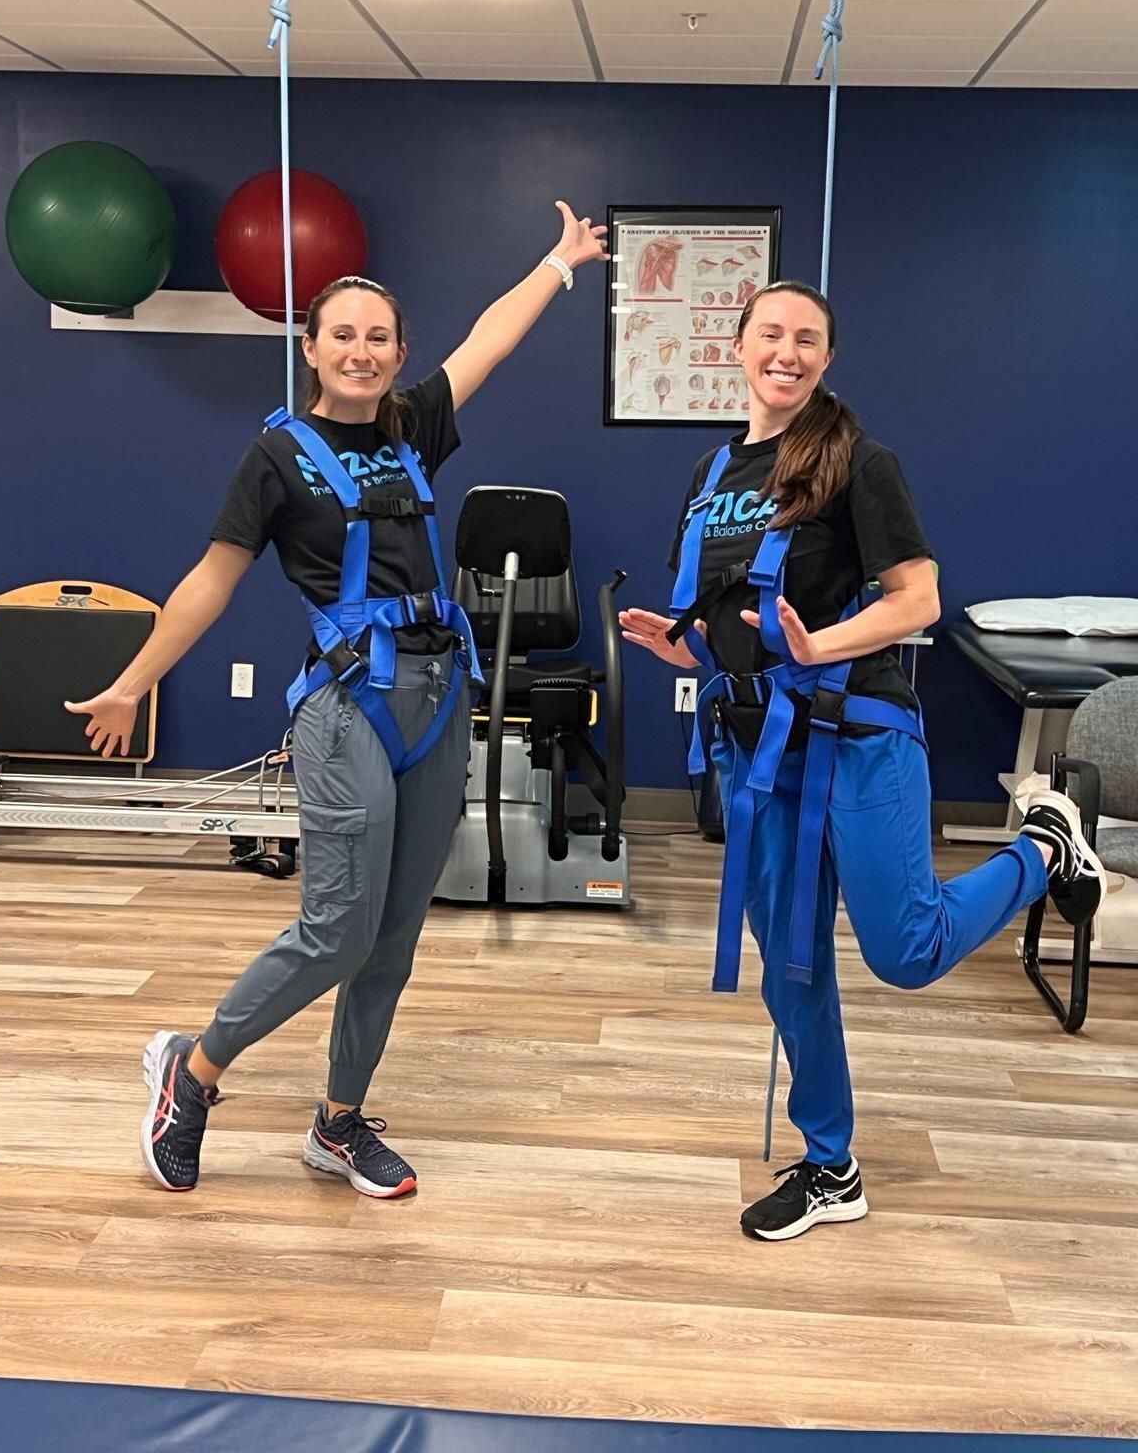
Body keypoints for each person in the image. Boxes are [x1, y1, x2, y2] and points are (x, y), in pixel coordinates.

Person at [66, 201, 608, 1198]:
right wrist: (133, 682)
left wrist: (560, 263)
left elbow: (489, 341)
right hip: (347, 705)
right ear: (310, 349)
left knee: (394, 933)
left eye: (379, 337)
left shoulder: (413, 428)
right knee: (339, 924)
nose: (361, 352)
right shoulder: (275, 458)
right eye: (343, 336)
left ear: (398, 352)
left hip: (441, 699)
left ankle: (339, 1120)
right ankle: (193, 1073)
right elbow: (212, 578)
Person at [619, 280, 1105, 1243]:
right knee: (792, 966)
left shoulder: (857, 462)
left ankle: (1044, 850)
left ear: (828, 358)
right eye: (770, 335)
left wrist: (817, 650)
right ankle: (831, 1165)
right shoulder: (714, 471)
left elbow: (916, 600)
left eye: (807, 340)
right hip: (759, 750)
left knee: (906, 951)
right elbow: (729, 608)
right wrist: (692, 648)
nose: (786, 353)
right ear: (740, 345)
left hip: (859, 733)